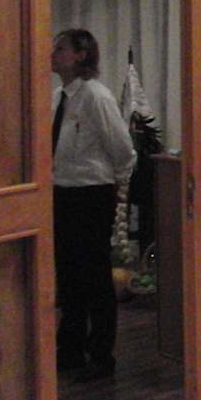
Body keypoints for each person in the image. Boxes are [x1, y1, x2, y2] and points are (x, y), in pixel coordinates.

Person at [52, 29, 136, 381]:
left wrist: (119, 188)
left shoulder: (96, 97)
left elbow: (123, 149)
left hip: (91, 193)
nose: (53, 54)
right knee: (68, 275)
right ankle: (70, 349)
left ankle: (101, 354)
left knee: (95, 277)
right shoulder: (59, 97)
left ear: (81, 55)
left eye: (61, 49)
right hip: (62, 192)